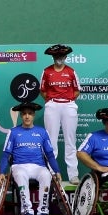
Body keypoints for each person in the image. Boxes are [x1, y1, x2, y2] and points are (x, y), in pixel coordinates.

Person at [0, 102, 62, 215]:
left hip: (38, 166)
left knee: (46, 175)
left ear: (33, 116)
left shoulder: (42, 132)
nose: (27, 116)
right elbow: (6, 154)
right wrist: (1, 172)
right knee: (21, 175)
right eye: (24, 114)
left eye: (30, 114)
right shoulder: (13, 132)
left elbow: (49, 155)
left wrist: (57, 171)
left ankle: (43, 213)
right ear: (21, 116)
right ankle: (27, 212)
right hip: (19, 166)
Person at [40, 43, 81, 184]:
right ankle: (51, 172)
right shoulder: (46, 72)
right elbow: (42, 90)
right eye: (56, 55)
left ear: (65, 56)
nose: (59, 58)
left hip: (68, 105)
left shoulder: (71, 71)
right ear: (52, 56)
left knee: (70, 140)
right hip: (52, 105)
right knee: (51, 140)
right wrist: (51, 101)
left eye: (61, 55)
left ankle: (73, 175)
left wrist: (67, 101)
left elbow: (77, 90)